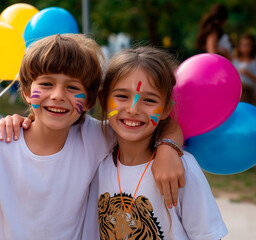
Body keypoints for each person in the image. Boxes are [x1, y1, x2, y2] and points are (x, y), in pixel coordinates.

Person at [0, 34, 184, 239]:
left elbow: (157, 122)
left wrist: (168, 148)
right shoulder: (2, 142)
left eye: (73, 87)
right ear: (28, 92)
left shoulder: (96, 136)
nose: (58, 95)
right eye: (47, 84)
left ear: (89, 101)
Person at [93, 47, 228, 239]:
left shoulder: (183, 168)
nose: (133, 109)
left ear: (166, 110)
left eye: (149, 100)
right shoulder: (98, 162)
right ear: (103, 100)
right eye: (122, 96)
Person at [233, 33, 256, 104]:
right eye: (243, 45)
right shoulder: (234, 59)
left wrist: (248, 74)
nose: (245, 48)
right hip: (237, 93)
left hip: (251, 93)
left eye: (248, 45)